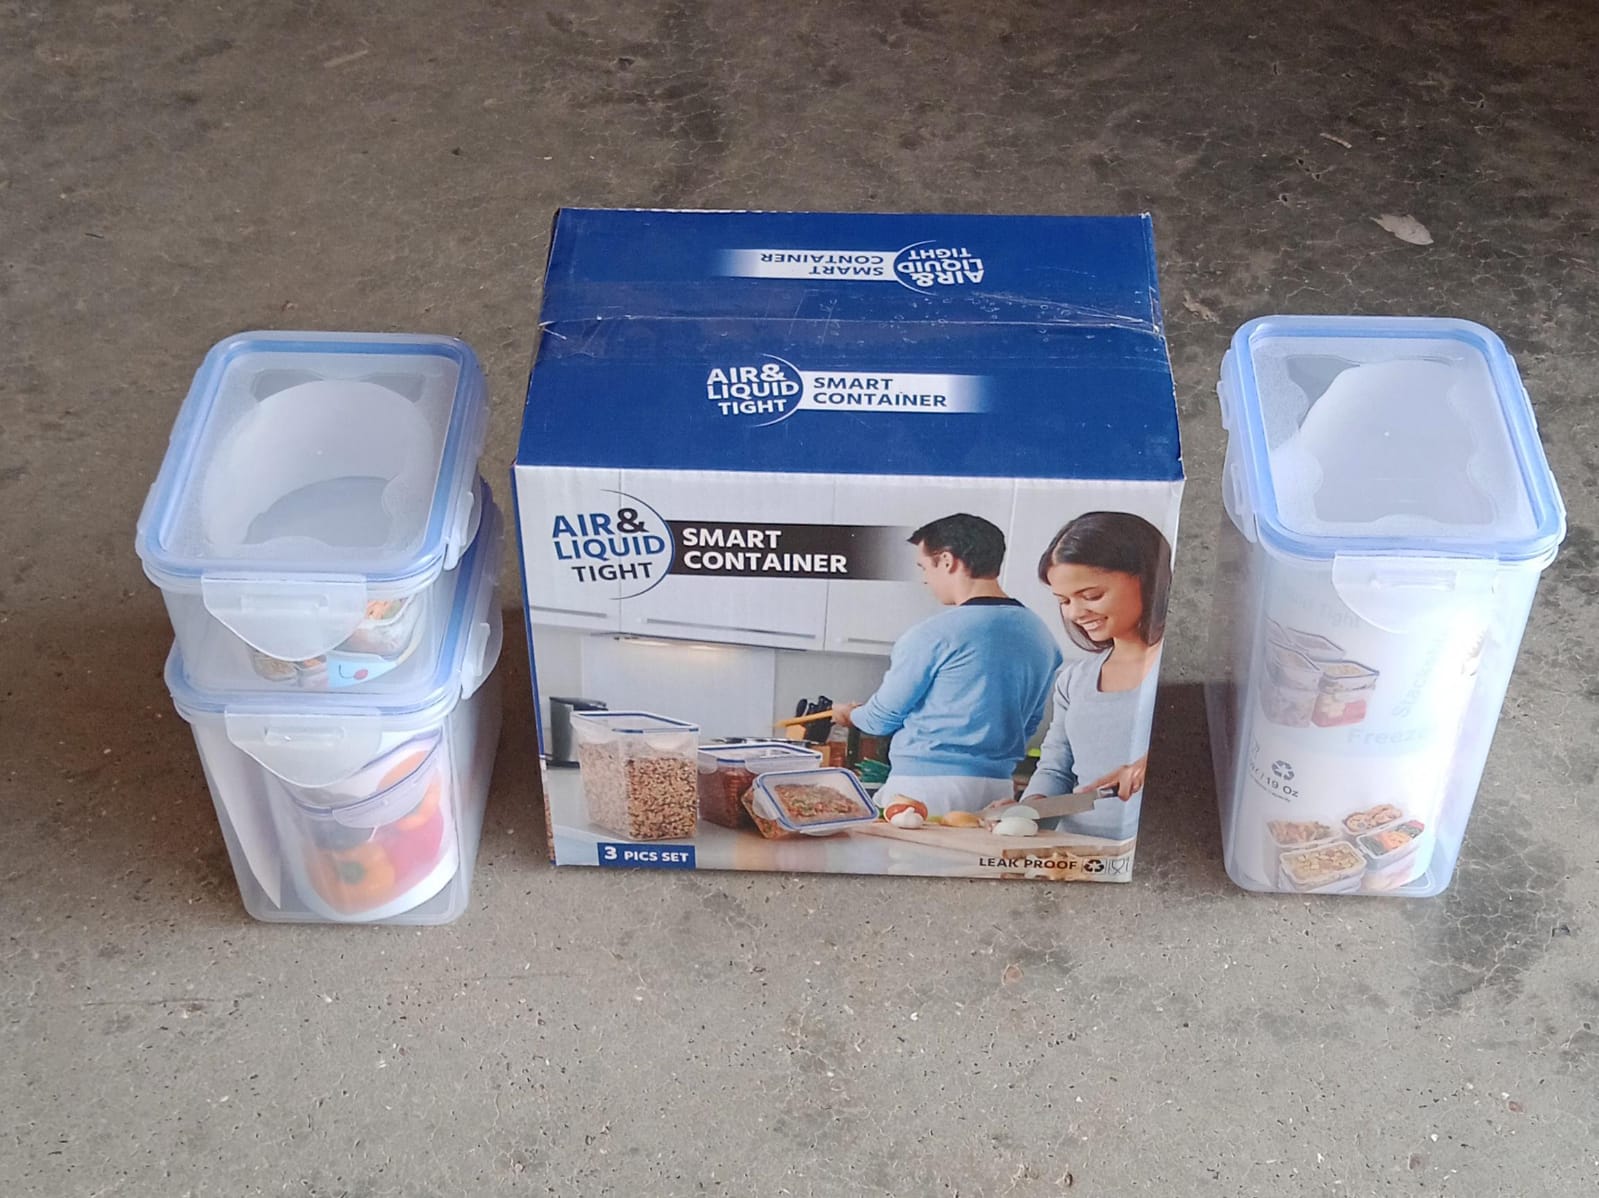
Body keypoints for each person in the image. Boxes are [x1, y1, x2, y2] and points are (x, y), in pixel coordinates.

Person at [835, 513, 1062, 817]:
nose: (925, 579)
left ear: (946, 561)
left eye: (924, 567)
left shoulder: (933, 634)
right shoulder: (1042, 636)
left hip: (923, 789)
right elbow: (1030, 724)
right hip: (998, 790)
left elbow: (880, 720)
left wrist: (849, 714)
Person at [999, 511, 1171, 839]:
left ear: (1148, 578)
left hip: (1151, 850)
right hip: (1075, 849)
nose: (1076, 613)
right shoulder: (1074, 680)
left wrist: (1149, 764)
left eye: (1092, 596)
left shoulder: (1178, 671)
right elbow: (1055, 769)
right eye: (1064, 601)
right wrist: (1029, 809)